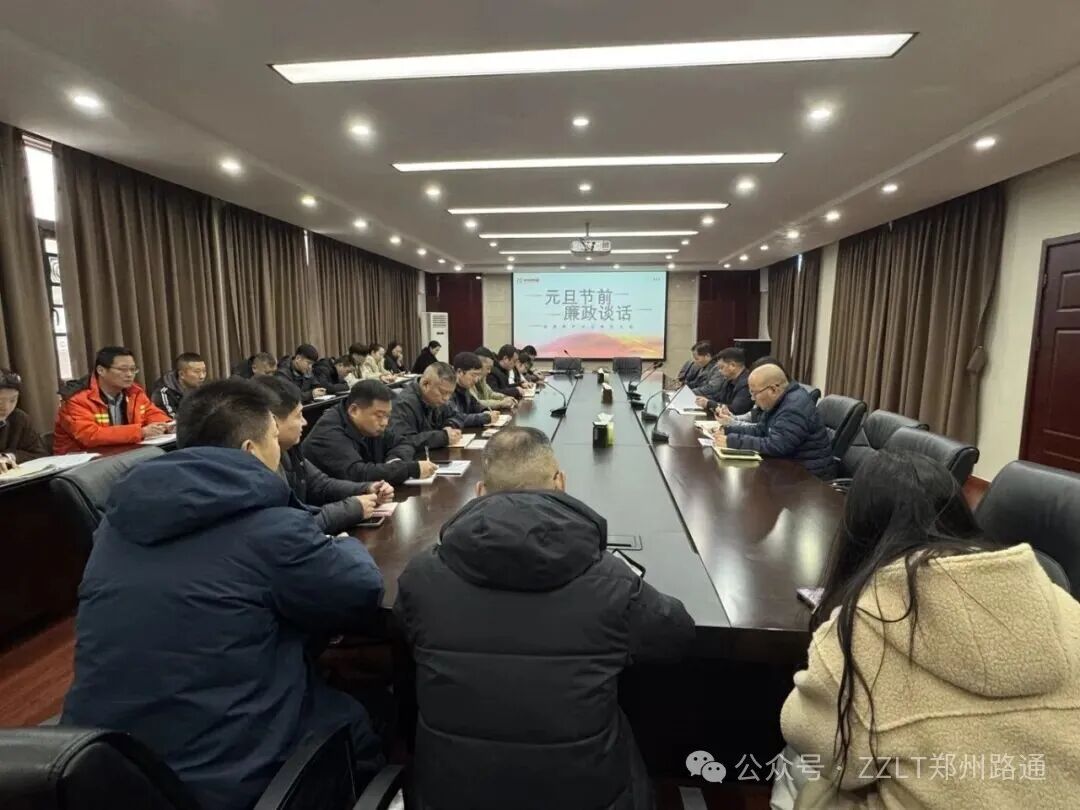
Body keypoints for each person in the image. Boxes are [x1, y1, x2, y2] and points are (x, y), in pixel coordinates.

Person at [62, 379, 386, 810]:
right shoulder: (268, 526)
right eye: (274, 439)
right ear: (251, 451)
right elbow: (360, 590)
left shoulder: (115, 525)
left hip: (104, 771)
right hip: (225, 776)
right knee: (361, 715)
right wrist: (344, 543)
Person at [394, 427, 696, 810]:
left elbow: (404, 633)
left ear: (481, 492)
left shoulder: (420, 577)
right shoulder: (612, 581)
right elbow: (678, 636)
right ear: (560, 483)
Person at [774, 451, 1080, 809]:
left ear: (857, 530)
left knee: (796, 763)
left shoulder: (866, 620)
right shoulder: (1064, 604)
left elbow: (814, 738)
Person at [255, 376, 392, 534]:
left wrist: (367, 488)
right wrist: (351, 509)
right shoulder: (256, 468)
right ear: (272, 421)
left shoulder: (289, 448)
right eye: (299, 415)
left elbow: (320, 484)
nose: (305, 422)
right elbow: (287, 530)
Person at [304, 380, 439, 486]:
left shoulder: (371, 426)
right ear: (354, 411)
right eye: (379, 416)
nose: (385, 422)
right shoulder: (329, 431)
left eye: (388, 416)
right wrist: (408, 469)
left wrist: (395, 460)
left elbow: (403, 442)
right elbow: (358, 474)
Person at [712, 363, 832, 477]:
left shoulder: (794, 407)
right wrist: (728, 430)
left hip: (808, 476)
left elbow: (777, 445)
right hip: (788, 467)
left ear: (773, 390)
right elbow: (761, 430)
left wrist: (733, 441)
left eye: (755, 393)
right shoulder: (780, 401)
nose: (753, 399)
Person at [54, 346, 173, 455]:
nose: (129, 374)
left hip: (122, 453)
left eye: (133, 369)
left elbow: (151, 413)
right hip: (81, 459)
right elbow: (89, 435)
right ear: (101, 370)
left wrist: (167, 425)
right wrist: (140, 432)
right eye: (123, 369)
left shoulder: (134, 392)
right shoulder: (77, 398)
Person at [389, 362, 462, 450]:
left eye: (450, 393)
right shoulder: (403, 405)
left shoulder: (437, 399)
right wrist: (442, 437)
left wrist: (449, 426)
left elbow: (457, 416)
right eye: (443, 392)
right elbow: (403, 441)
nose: (446, 398)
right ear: (425, 384)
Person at [0, 370, 47, 471]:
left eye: (12, 400)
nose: (6, 407)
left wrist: (10, 456)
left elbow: (40, 455)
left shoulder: (19, 418)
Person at [694, 347, 752, 415]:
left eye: (721, 367)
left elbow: (735, 409)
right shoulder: (729, 380)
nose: (719, 371)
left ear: (733, 365)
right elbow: (719, 398)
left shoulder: (746, 383)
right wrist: (703, 399)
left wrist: (709, 403)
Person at [150, 352, 208, 418]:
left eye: (204, 371)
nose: (202, 376)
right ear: (181, 374)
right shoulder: (163, 393)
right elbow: (171, 420)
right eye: (196, 372)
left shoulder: (202, 386)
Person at [449, 352, 493, 428]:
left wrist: (485, 411)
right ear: (459, 372)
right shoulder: (447, 390)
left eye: (478, 375)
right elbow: (455, 417)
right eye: (473, 375)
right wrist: (484, 417)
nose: (476, 380)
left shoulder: (465, 387)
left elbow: (476, 405)